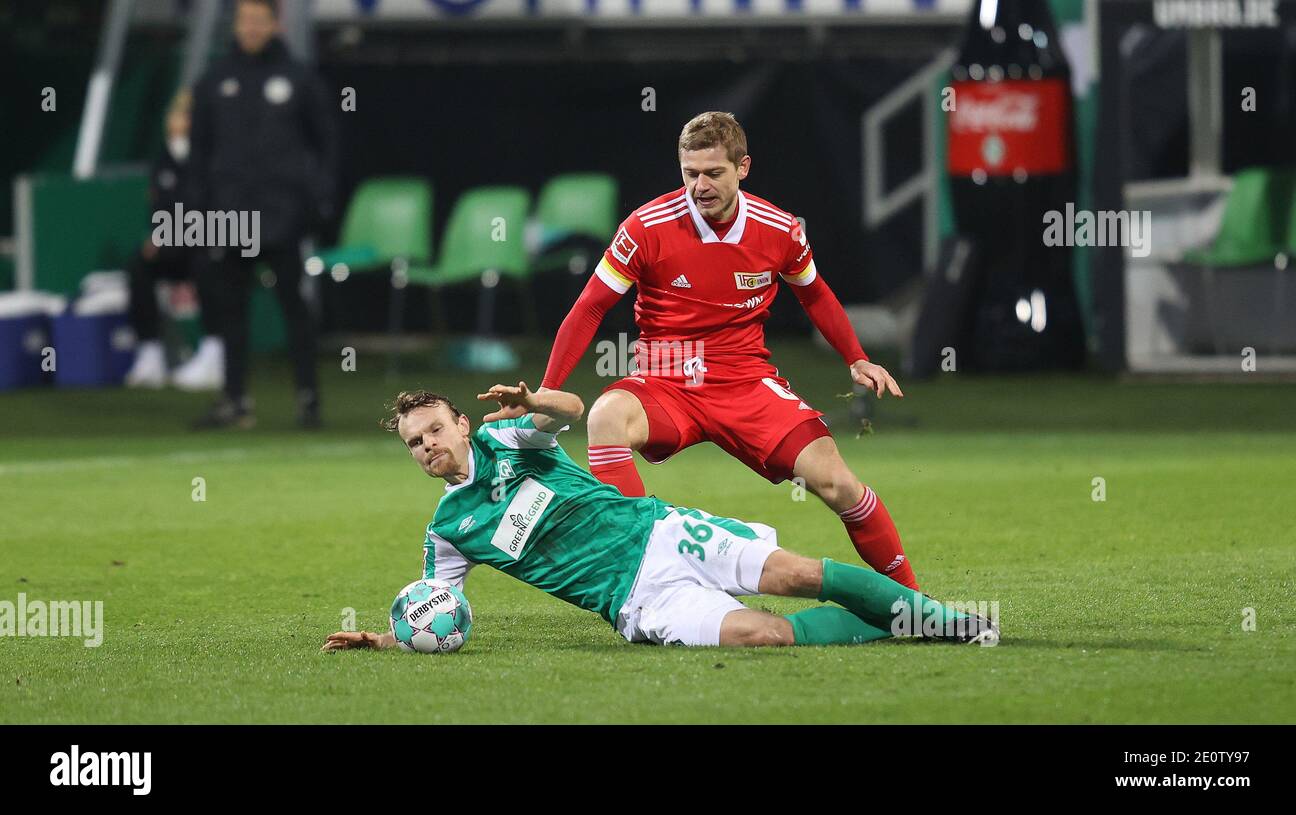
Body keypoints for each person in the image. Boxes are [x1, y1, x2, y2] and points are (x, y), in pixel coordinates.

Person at [539, 112, 920, 590]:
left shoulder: (779, 229)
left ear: (743, 167)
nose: (700, 185)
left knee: (839, 484)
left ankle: (913, 602)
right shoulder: (646, 226)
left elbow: (814, 293)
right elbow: (589, 309)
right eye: (689, 173)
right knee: (605, 417)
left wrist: (856, 357)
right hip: (666, 380)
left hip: (745, 382)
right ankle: (641, 584)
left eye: (713, 173)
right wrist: (549, 389)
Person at [322, 383, 996, 651]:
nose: (428, 444)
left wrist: (536, 396)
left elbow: (568, 411)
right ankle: (885, 624)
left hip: (659, 530)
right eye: (415, 440)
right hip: (636, 597)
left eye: (435, 427)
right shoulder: (448, 530)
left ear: (461, 424)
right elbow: (442, 604)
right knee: (763, 636)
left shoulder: (511, 440)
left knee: (795, 575)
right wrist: (386, 638)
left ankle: (940, 618)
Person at [187, 0, 338, 429]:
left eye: (259, 20)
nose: (250, 28)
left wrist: (317, 201)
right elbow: (198, 154)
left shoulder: (298, 78)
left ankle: (308, 399)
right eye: (244, 20)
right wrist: (198, 210)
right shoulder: (215, 81)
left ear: (275, 24)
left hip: (283, 217)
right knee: (230, 310)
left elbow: (326, 144)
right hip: (229, 218)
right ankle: (235, 401)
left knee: (295, 308)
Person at [124, 89, 224, 391]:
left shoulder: (212, 155)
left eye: (188, 115)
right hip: (177, 244)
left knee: (207, 262)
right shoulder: (165, 156)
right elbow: (160, 206)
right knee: (139, 266)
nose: (180, 121)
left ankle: (214, 353)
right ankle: (150, 354)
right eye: (178, 113)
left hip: (213, 243)